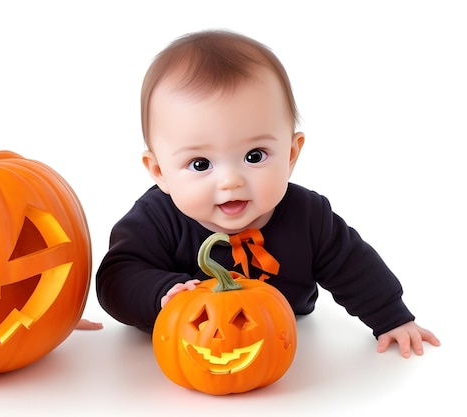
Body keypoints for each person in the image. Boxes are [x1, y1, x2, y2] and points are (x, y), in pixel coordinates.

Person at [95, 29, 440, 358]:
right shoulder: (155, 219)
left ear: (291, 154)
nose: (231, 181)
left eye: (254, 156)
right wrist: (159, 293)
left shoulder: (308, 215)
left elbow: (352, 263)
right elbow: (117, 278)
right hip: (188, 342)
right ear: (159, 172)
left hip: (285, 334)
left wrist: (392, 316)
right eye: (200, 164)